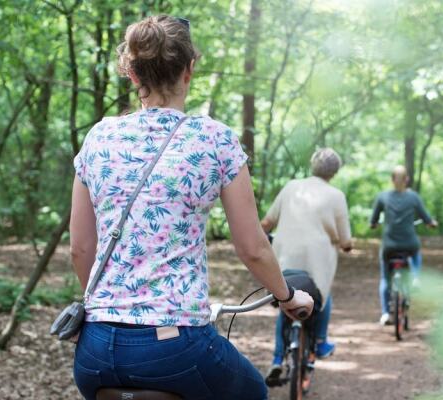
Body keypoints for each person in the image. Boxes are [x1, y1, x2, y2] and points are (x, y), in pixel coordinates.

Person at [69, 15, 313, 400]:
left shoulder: (99, 137)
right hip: (175, 346)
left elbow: (80, 248)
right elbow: (252, 246)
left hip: (96, 348)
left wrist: (112, 310)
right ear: (189, 70)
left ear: (132, 75)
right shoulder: (214, 139)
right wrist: (286, 297)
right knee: (254, 393)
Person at [260, 148, 352, 383]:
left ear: (312, 165)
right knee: (323, 293)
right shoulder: (336, 195)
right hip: (317, 262)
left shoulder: (292, 187)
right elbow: (346, 242)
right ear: (335, 171)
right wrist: (346, 244)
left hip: (285, 259)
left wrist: (261, 239)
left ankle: (277, 360)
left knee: (287, 297)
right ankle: (320, 343)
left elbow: (267, 222)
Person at [370, 165, 437, 325]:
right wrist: (431, 223)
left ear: (392, 179)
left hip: (389, 246)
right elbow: (426, 218)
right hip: (409, 244)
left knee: (385, 279)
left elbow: (373, 220)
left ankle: (385, 313)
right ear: (407, 179)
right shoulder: (414, 197)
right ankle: (415, 277)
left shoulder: (382, 197)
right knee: (416, 252)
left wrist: (373, 224)